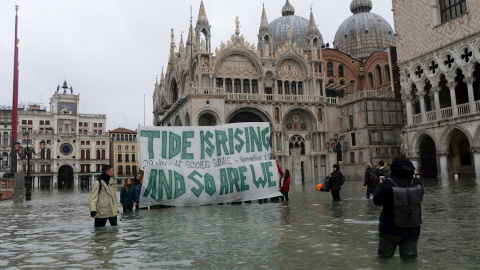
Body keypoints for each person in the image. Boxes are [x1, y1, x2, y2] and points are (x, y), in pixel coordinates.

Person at [373, 156, 423, 259]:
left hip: (390, 229)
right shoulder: (417, 182)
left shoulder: (388, 183)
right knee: (410, 261)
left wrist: (379, 185)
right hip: (412, 228)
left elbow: (377, 201)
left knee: (384, 259)